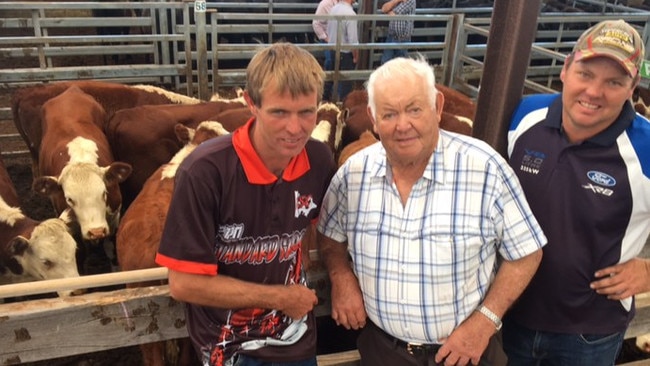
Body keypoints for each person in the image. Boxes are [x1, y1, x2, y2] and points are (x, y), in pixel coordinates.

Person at [317, 55, 547, 366]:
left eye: (414, 109)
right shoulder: (351, 176)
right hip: (384, 351)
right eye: (389, 114)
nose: (403, 125)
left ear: (437, 107)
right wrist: (341, 276)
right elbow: (330, 238)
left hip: (465, 352)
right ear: (372, 117)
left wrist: (484, 321)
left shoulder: (485, 169)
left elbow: (527, 253)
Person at [155, 42, 337, 366]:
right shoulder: (206, 171)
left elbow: (311, 226)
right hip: (228, 347)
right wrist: (281, 297)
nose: (295, 129)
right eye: (279, 112)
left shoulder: (319, 160)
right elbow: (183, 284)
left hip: (295, 340)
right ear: (250, 103)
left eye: (306, 112)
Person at [504, 19, 650, 366]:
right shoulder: (523, 116)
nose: (595, 92)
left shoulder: (645, 149)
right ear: (566, 70)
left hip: (589, 332)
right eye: (586, 74)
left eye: (614, 81)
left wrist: (648, 271)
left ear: (633, 89)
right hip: (509, 313)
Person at [325, 0, 359, 101]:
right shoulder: (350, 14)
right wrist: (356, 56)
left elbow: (328, 29)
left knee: (330, 80)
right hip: (345, 53)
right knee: (345, 85)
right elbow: (353, 40)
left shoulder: (333, 9)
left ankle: (324, 104)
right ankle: (342, 107)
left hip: (332, 49)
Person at [379, 0, 416, 65]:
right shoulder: (397, 2)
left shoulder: (410, 1)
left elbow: (394, 14)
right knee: (385, 62)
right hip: (391, 36)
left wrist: (388, 11)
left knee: (400, 65)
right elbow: (383, 8)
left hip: (402, 39)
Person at [312, 0, 338, 71]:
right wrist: (326, 38)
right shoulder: (325, 4)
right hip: (327, 37)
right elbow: (316, 24)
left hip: (339, 37)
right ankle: (328, 79)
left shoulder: (344, 5)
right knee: (330, 59)